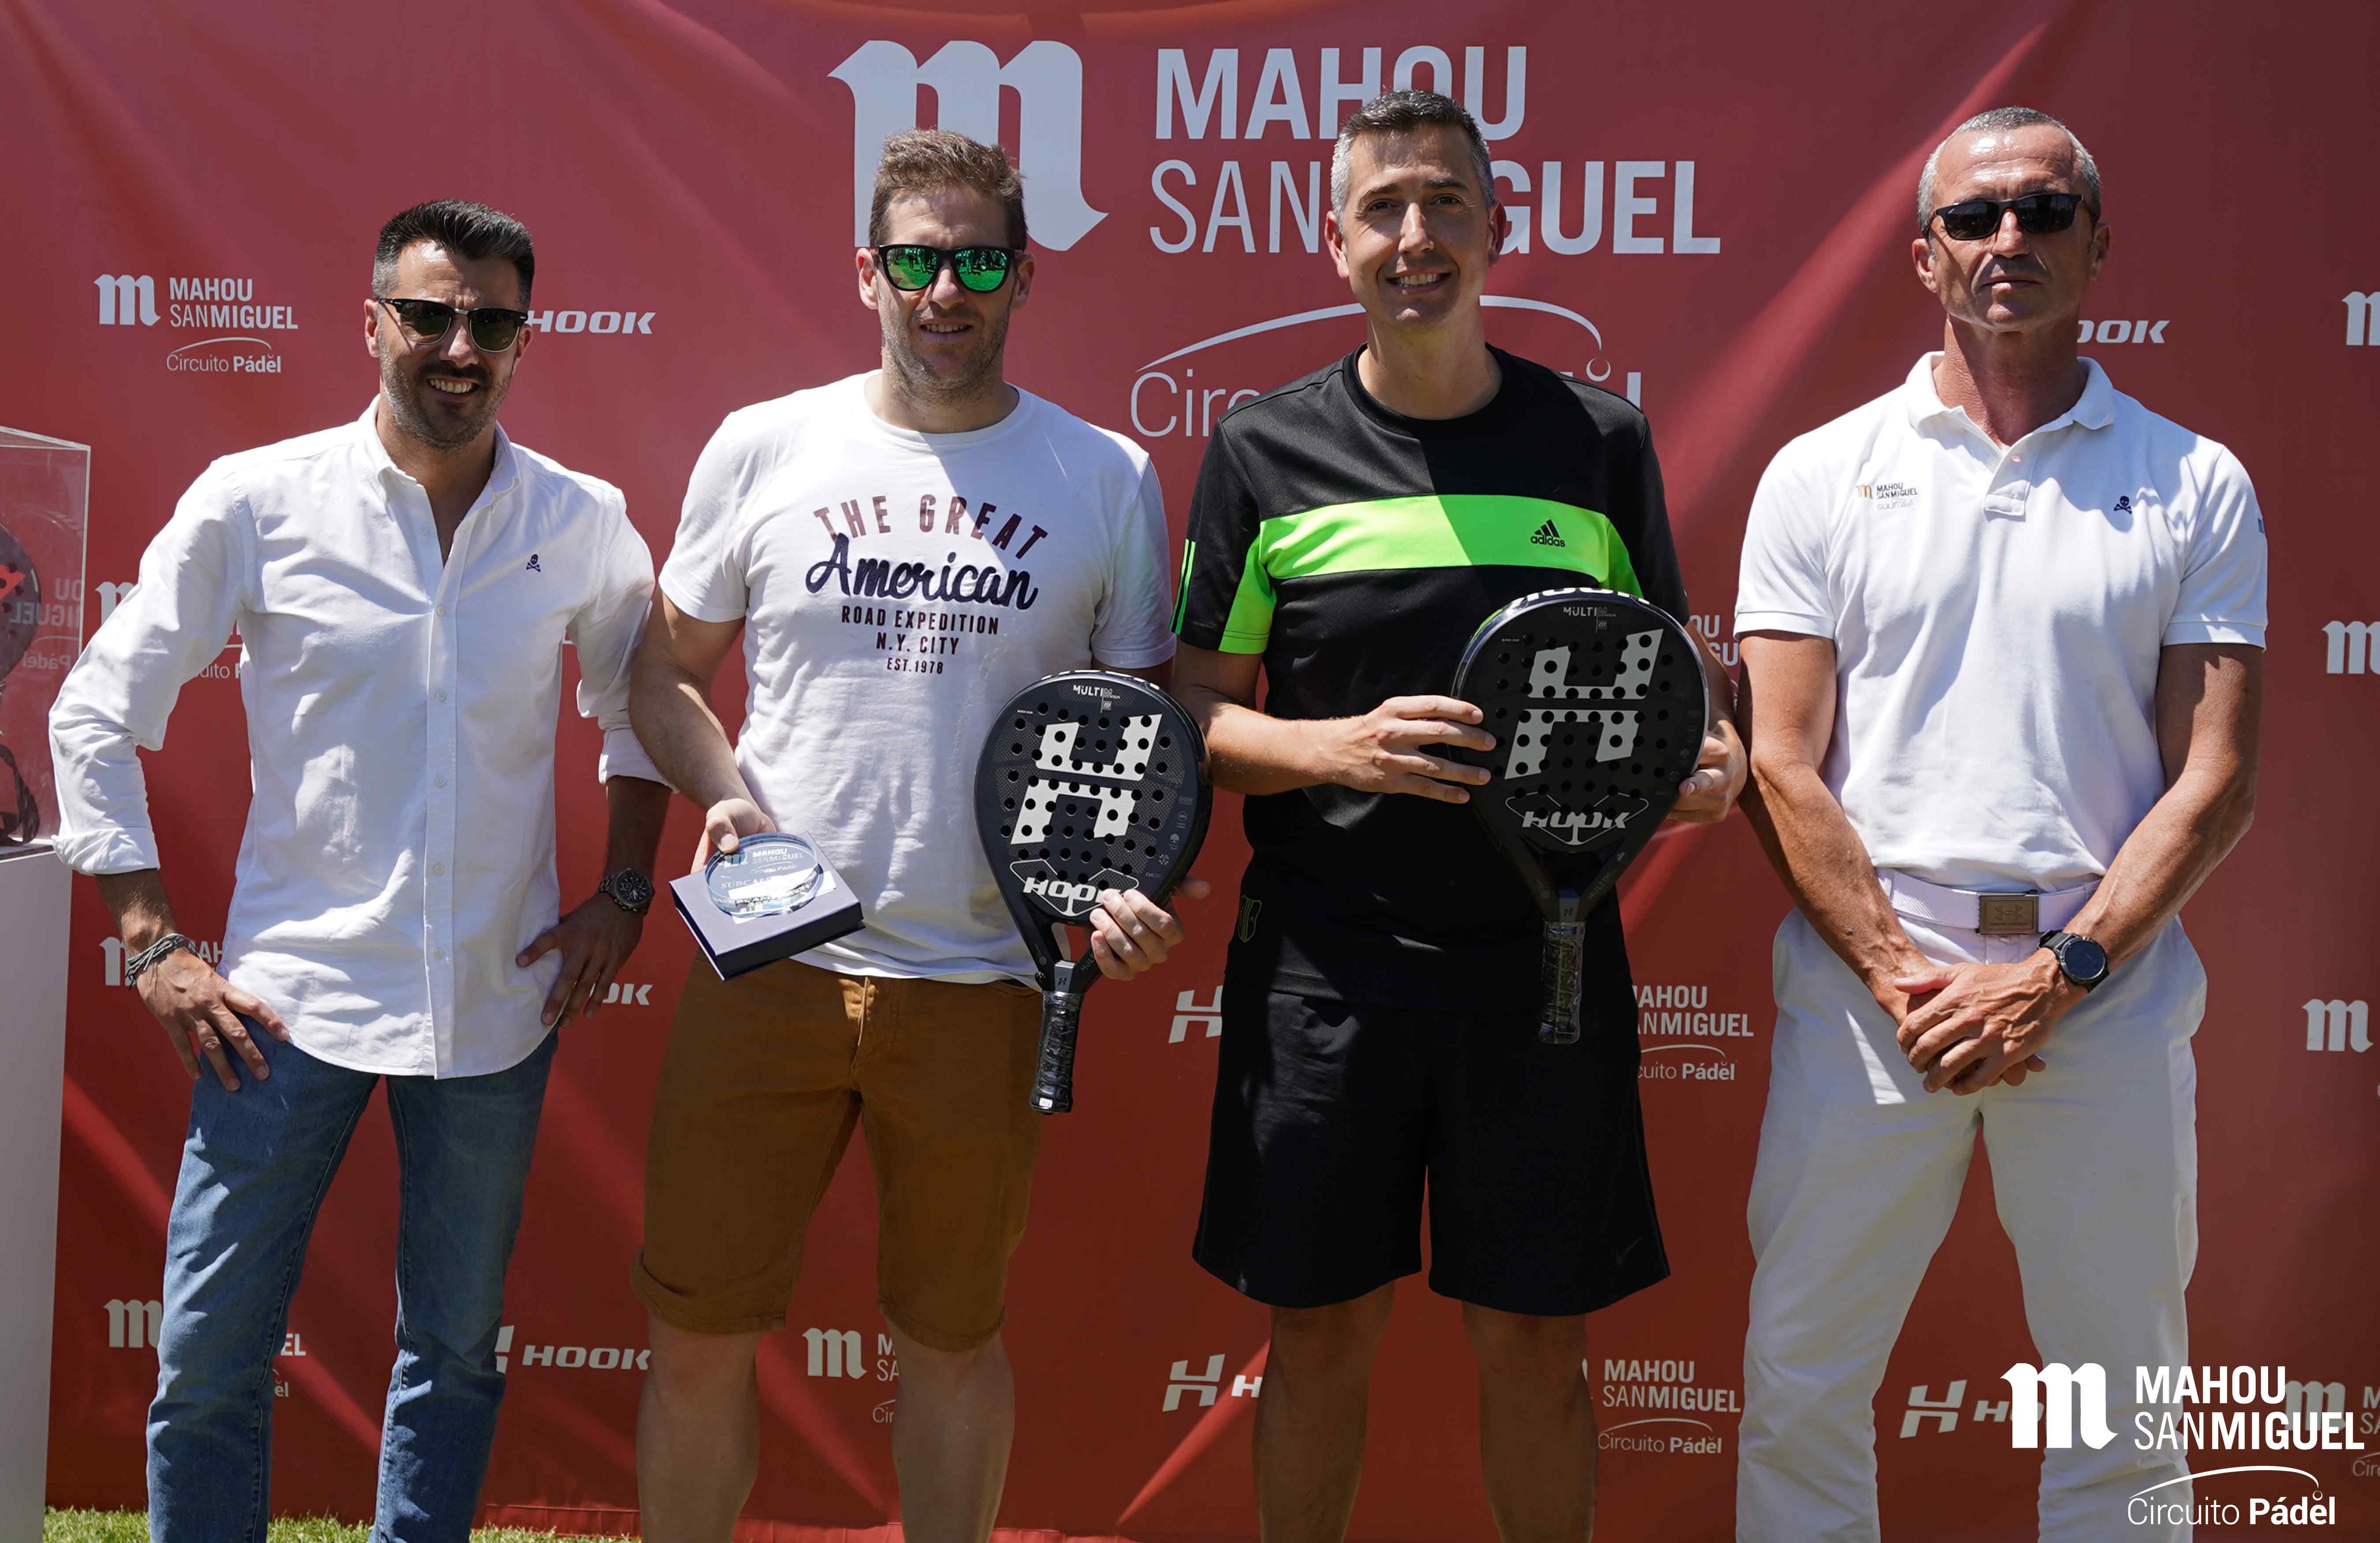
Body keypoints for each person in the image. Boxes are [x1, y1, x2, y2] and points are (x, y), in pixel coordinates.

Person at [47, 200, 670, 1543]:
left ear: (525, 338)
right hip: (286, 1002)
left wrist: (627, 890)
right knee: (208, 1356)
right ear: (371, 323)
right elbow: (94, 710)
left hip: (496, 1002)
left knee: (454, 1352)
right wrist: (151, 941)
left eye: (492, 322)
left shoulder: (584, 520)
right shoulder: (258, 500)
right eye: (430, 315)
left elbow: (642, 713)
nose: (460, 347)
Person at [1168, 90, 1745, 1540]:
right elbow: (1200, 720)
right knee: (1316, 1339)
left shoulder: (1598, 440)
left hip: (1544, 965)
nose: (1413, 236)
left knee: (1538, 1350)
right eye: (1383, 208)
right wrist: (1339, 748)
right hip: (1323, 971)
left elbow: (1674, 698)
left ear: (1499, 228)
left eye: (1444, 203)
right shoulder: (1260, 450)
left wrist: (1707, 770)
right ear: (1335, 241)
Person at [626, 129, 1203, 1543]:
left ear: (1025, 276)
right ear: (868, 272)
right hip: (770, 954)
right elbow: (663, 672)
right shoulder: (765, 444)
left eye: (980, 263)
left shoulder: (1104, 473)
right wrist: (723, 792)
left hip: (984, 975)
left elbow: (1138, 734)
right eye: (919, 260)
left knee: (950, 1341)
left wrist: (1121, 894)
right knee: (697, 1338)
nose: (948, 290)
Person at [1732, 107, 2265, 1542]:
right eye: (1973, 217)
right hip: (1872, 1004)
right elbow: (1781, 763)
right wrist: (1905, 978)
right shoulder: (1820, 472)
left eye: (2044, 209)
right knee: (1802, 1390)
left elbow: (2215, 778)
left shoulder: (2196, 480)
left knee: (2120, 1412)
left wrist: (2055, 977)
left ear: (2099, 243)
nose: (2008, 237)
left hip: (2100, 995)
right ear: (1926, 256)